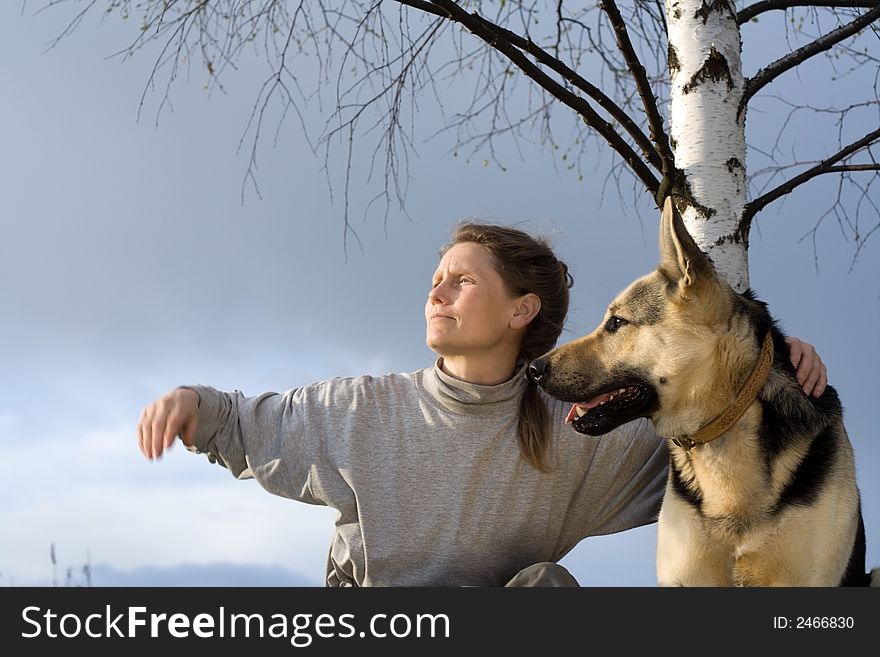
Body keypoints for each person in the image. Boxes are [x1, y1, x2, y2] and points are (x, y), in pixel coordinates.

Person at [137, 221, 827, 587]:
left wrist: (769, 368)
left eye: (461, 280)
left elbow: (709, 441)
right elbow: (241, 421)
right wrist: (188, 402)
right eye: (436, 279)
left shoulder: (577, 432)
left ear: (521, 309)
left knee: (546, 588)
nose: (436, 292)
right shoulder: (365, 413)